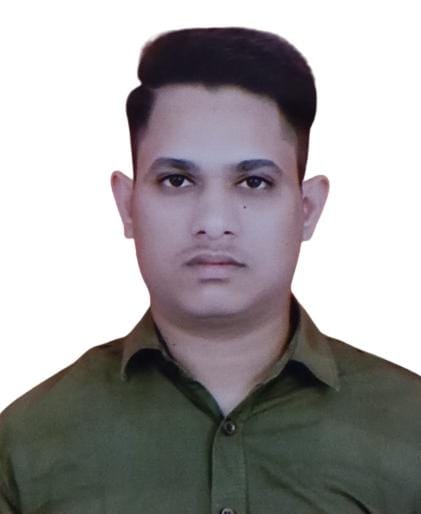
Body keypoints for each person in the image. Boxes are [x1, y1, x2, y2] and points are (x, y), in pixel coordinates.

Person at [1, 26, 420, 514]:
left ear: (307, 209)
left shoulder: (409, 427)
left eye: (254, 182)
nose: (214, 222)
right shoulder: (27, 445)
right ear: (127, 205)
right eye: (177, 180)